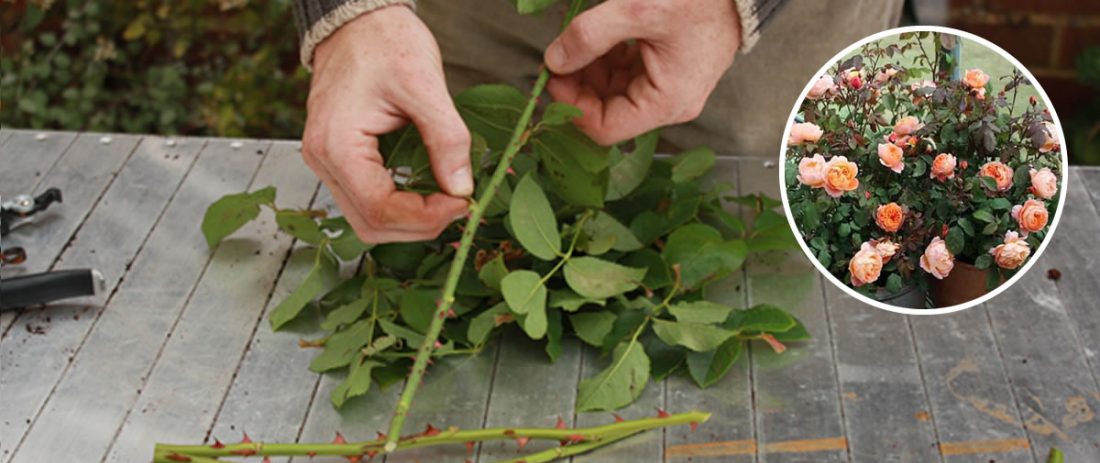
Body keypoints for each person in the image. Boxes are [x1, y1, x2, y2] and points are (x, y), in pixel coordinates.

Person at [292, 0, 903, 243]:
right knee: (458, 230)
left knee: (758, 254)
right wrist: (345, 13)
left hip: (769, 49)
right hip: (457, 23)